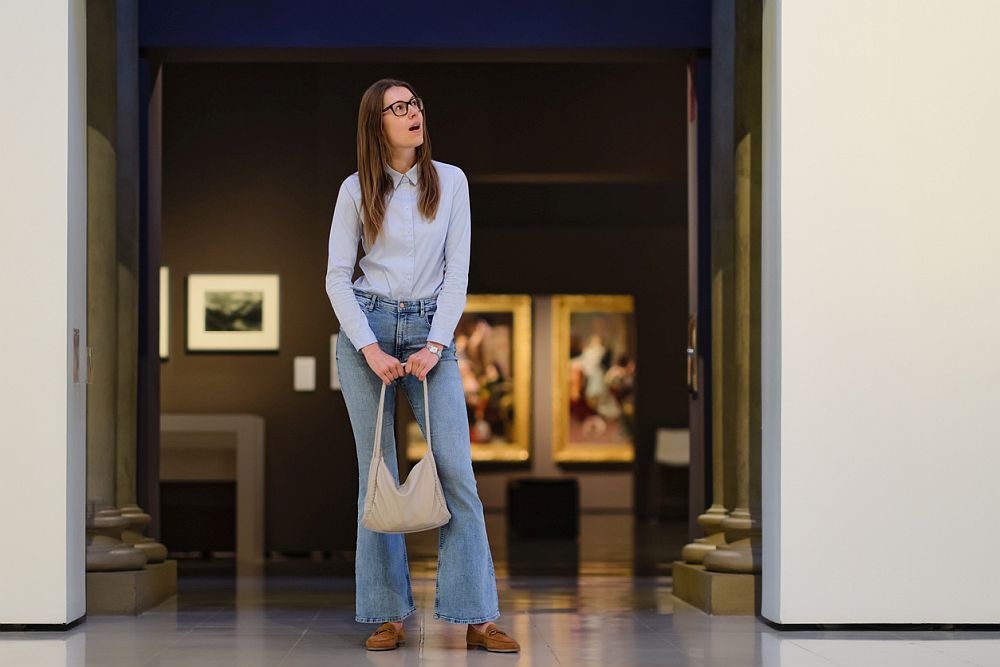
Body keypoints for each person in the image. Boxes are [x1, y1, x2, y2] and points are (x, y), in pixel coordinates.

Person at [325, 78, 519, 654]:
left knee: (457, 471)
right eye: (398, 108)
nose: (412, 114)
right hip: (370, 328)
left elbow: (457, 274)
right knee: (376, 473)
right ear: (376, 124)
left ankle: (476, 616)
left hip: (431, 331)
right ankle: (388, 614)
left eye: (415, 105)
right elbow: (337, 278)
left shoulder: (451, 182)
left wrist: (435, 345)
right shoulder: (356, 189)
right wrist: (370, 348)